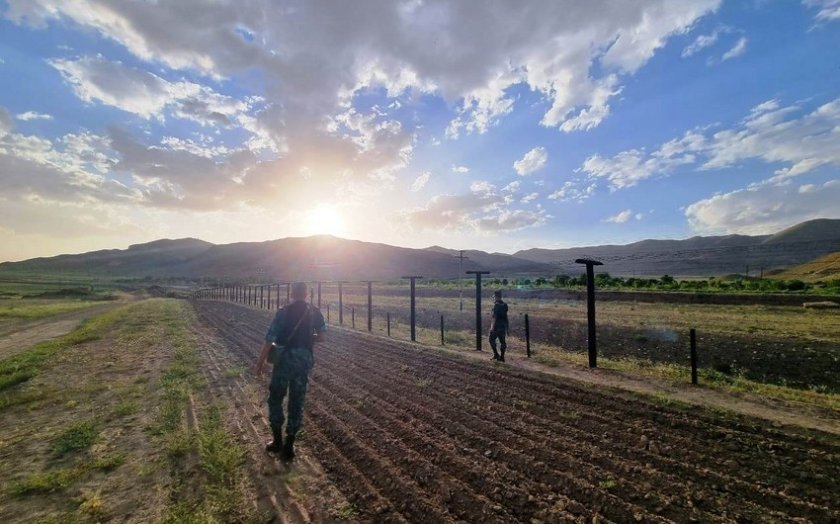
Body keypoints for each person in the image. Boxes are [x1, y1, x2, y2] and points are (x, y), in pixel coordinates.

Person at [255, 281, 326, 461]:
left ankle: (277, 441)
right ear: (306, 295)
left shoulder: (283, 312)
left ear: (291, 294)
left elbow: (269, 339)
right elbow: (322, 337)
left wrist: (260, 363)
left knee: (276, 397)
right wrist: (308, 337)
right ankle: (289, 446)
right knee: (297, 400)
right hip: (303, 361)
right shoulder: (314, 312)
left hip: (284, 360)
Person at [489, 289, 509, 362]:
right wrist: (507, 327)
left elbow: (494, 317)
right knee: (502, 342)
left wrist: (492, 327)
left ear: (496, 297)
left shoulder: (496, 305)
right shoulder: (505, 305)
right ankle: (502, 357)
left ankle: (496, 354)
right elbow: (505, 317)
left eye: (494, 297)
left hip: (496, 326)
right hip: (503, 326)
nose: (494, 298)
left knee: (491, 339)